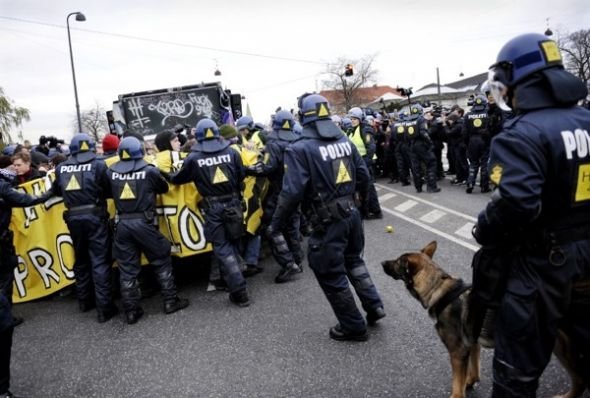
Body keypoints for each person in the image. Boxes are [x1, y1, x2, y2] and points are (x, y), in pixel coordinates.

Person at [472, 33, 590, 397]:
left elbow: (517, 205)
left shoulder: (521, 134)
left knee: (517, 372)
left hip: (544, 266)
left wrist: (484, 229)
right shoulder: (586, 119)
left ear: (517, 81)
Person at [270, 94, 385, 341]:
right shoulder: (344, 139)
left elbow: (291, 193)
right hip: (352, 214)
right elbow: (364, 176)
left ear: (304, 116)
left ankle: (353, 326)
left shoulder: (299, 148)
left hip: (327, 221)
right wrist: (360, 205)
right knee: (354, 260)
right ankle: (374, 305)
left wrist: (276, 224)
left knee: (329, 271)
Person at [165, 119, 250, 307]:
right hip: (233, 203)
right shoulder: (232, 152)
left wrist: (165, 175)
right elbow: (241, 176)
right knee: (235, 241)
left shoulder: (193, 159)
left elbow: (179, 179)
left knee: (222, 247)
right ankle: (238, 281)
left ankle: (239, 290)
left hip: (213, 208)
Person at [107, 137, 189, 324]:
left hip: (122, 225)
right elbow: (164, 187)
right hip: (144, 223)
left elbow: (106, 191)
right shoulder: (149, 171)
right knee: (161, 260)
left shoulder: (111, 172)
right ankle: (170, 301)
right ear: (140, 152)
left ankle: (131, 311)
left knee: (127, 270)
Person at [47, 133, 118, 323]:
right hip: (95, 217)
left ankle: (85, 301)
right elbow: (109, 189)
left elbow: (55, 191)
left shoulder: (61, 168)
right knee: (100, 261)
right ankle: (105, 309)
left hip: (73, 218)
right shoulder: (98, 165)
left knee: (81, 259)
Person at [246, 110, 303, 283]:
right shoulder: (298, 140)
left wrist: (249, 169)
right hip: (297, 189)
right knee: (293, 226)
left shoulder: (273, 142)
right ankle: (298, 260)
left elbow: (268, 167)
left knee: (271, 227)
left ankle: (288, 265)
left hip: (280, 191)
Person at [0, 166, 49, 330]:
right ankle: (4, 317)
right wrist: (46, 195)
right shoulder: (2, 185)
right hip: (1, 242)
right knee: (5, 277)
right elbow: (25, 200)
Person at [346, 107, 383, 219]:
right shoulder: (351, 130)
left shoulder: (365, 130)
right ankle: (364, 211)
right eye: (351, 119)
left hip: (365, 162)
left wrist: (365, 163)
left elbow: (371, 147)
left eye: (355, 119)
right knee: (359, 189)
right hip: (356, 163)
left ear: (360, 119)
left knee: (369, 188)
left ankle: (376, 211)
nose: (352, 120)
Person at [405, 104, 441, 193]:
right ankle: (431, 187)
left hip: (412, 145)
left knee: (416, 167)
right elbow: (423, 133)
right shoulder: (421, 119)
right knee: (431, 163)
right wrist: (430, 143)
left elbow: (406, 136)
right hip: (421, 144)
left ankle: (418, 187)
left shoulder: (407, 121)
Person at [464, 94, 492, 194]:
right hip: (485, 140)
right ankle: (484, 186)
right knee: (484, 164)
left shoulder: (468, 115)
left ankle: (470, 183)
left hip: (472, 141)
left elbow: (464, 132)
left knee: (473, 163)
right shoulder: (488, 114)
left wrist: (467, 144)